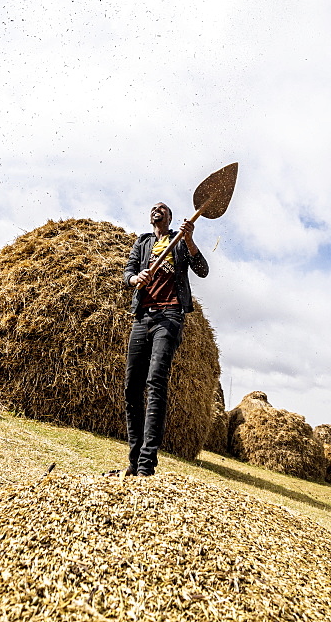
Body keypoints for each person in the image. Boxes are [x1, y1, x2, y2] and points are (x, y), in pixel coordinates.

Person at [122, 202, 209, 477]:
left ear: (170, 218)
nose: (156, 210)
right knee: (131, 388)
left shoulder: (179, 241)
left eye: (162, 208)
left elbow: (202, 269)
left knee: (155, 382)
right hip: (143, 316)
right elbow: (127, 272)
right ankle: (134, 462)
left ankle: (147, 465)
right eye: (153, 208)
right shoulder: (144, 242)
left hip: (169, 316)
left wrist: (190, 239)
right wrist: (136, 278)